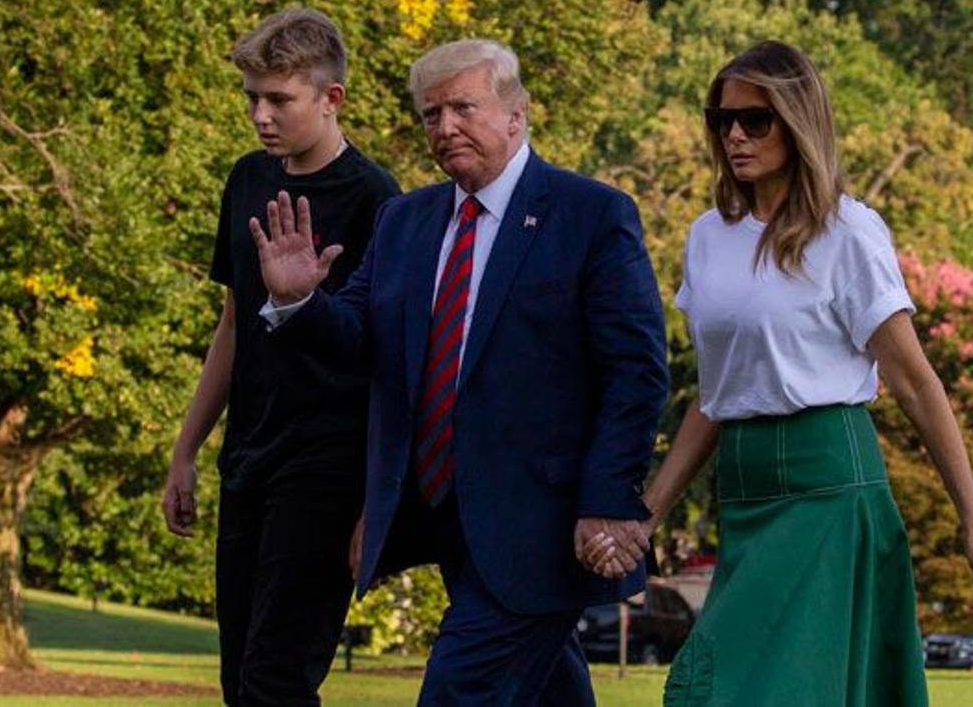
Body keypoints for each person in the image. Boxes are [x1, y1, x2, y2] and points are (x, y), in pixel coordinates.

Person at [585, 40, 973, 705]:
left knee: (720, 694)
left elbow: (915, 383)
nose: (735, 134)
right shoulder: (709, 236)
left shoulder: (848, 233)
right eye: (721, 119)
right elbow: (717, 398)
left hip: (830, 490)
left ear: (798, 122)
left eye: (756, 120)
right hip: (748, 492)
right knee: (712, 687)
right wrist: (648, 517)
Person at [250, 39, 668, 705]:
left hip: (546, 523)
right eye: (430, 114)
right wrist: (300, 300)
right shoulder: (404, 221)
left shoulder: (590, 214)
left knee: (457, 693)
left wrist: (607, 501)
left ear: (516, 114)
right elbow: (357, 340)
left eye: (464, 108)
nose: (445, 128)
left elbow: (636, 372)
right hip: (446, 520)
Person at [160, 8, 400, 705]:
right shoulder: (246, 180)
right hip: (249, 456)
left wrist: (376, 501)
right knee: (242, 682)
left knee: (277, 679)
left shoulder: (377, 200)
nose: (261, 116)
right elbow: (233, 323)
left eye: (279, 99)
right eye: (252, 98)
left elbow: (389, 359)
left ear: (332, 99)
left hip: (327, 464)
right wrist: (187, 449)